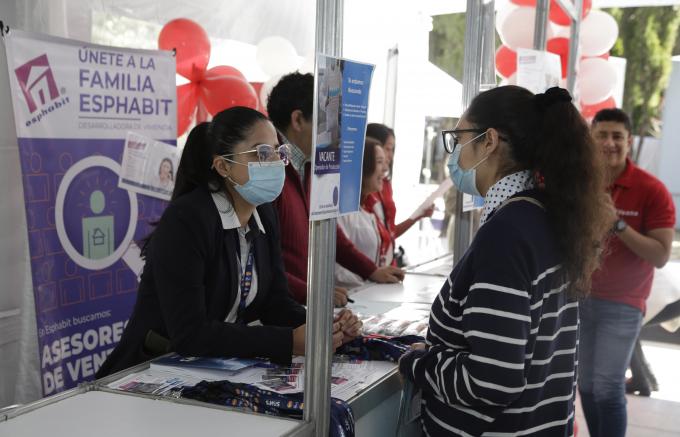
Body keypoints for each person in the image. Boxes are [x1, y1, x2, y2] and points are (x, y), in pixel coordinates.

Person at [398, 86, 610, 436]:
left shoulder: (508, 232)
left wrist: (422, 363)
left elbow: (494, 379)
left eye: (459, 138)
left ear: (489, 141)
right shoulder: (545, 215)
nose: (455, 155)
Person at [96, 107, 361, 378]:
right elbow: (191, 333)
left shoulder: (265, 213)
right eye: (261, 153)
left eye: (277, 152)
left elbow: (276, 303)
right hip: (151, 370)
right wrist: (288, 341)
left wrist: (326, 326)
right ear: (223, 166)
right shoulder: (187, 219)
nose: (275, 162)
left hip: (214, 368)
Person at [266, 72, 404, 307]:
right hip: (277, 311)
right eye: (328, 121)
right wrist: (308, 291)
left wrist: (370, 270)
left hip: (299, 305)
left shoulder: (309, 167)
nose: (337, 132)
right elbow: (262, 260)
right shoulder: (268, 172)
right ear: (298, 120)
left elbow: (328, 229)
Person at [578, 108, 675, 436]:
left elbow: (661, 255)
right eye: (601, 135)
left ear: (629, 142)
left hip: (623, 305)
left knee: (607, 387)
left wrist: (616, 224)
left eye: (617, 136)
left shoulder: (652, 190)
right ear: (590, 140)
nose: (609, 143)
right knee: (587, 387)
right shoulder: (578, 183)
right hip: (577, 299)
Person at [365, 123, 434, 250]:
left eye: (392, 150)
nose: (390, 156)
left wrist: (417, 215)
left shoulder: (384, 184)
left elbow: (390, 233)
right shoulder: (365, 191)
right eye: (387, 149)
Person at [336, 139, 393, 287]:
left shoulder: (367, 207)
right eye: (379, 162)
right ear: (362, 166)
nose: (385, 169)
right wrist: (372, 277)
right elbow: (338, 262)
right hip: (349, 296)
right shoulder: (340, 210)